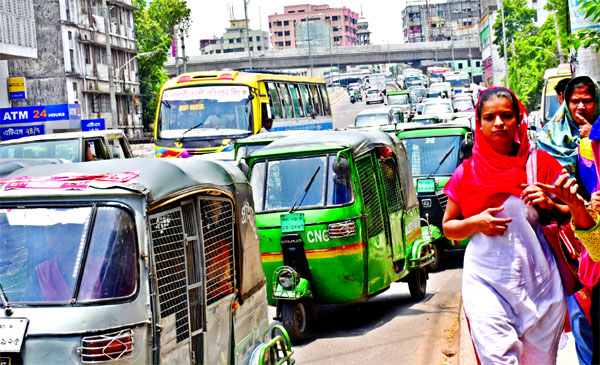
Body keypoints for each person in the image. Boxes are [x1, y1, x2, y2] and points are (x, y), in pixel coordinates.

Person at [442, 87, 568, 363]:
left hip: (540, 285)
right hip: (486, 282)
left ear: (518, 119)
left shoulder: (540, 165)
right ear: (480, 124)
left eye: (506, 115)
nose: (498, 123)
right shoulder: (467, 173)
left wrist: (550, 204)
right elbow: (448, 227)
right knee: (499, 359)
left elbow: (574, 214)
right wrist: (475, 223)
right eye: (489, 117)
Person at [538, 172, 600, 364]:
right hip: (586, 272)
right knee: (583, 330)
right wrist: (570, 206)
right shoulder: (585, 160)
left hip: (589, 265)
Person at [538, 76, 600, 194]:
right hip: (561, 207)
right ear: (566, 103)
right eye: (575, 101)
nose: (581, 107)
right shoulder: (549, 134)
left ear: (596, 102)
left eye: (587, 101)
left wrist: (594, 136)